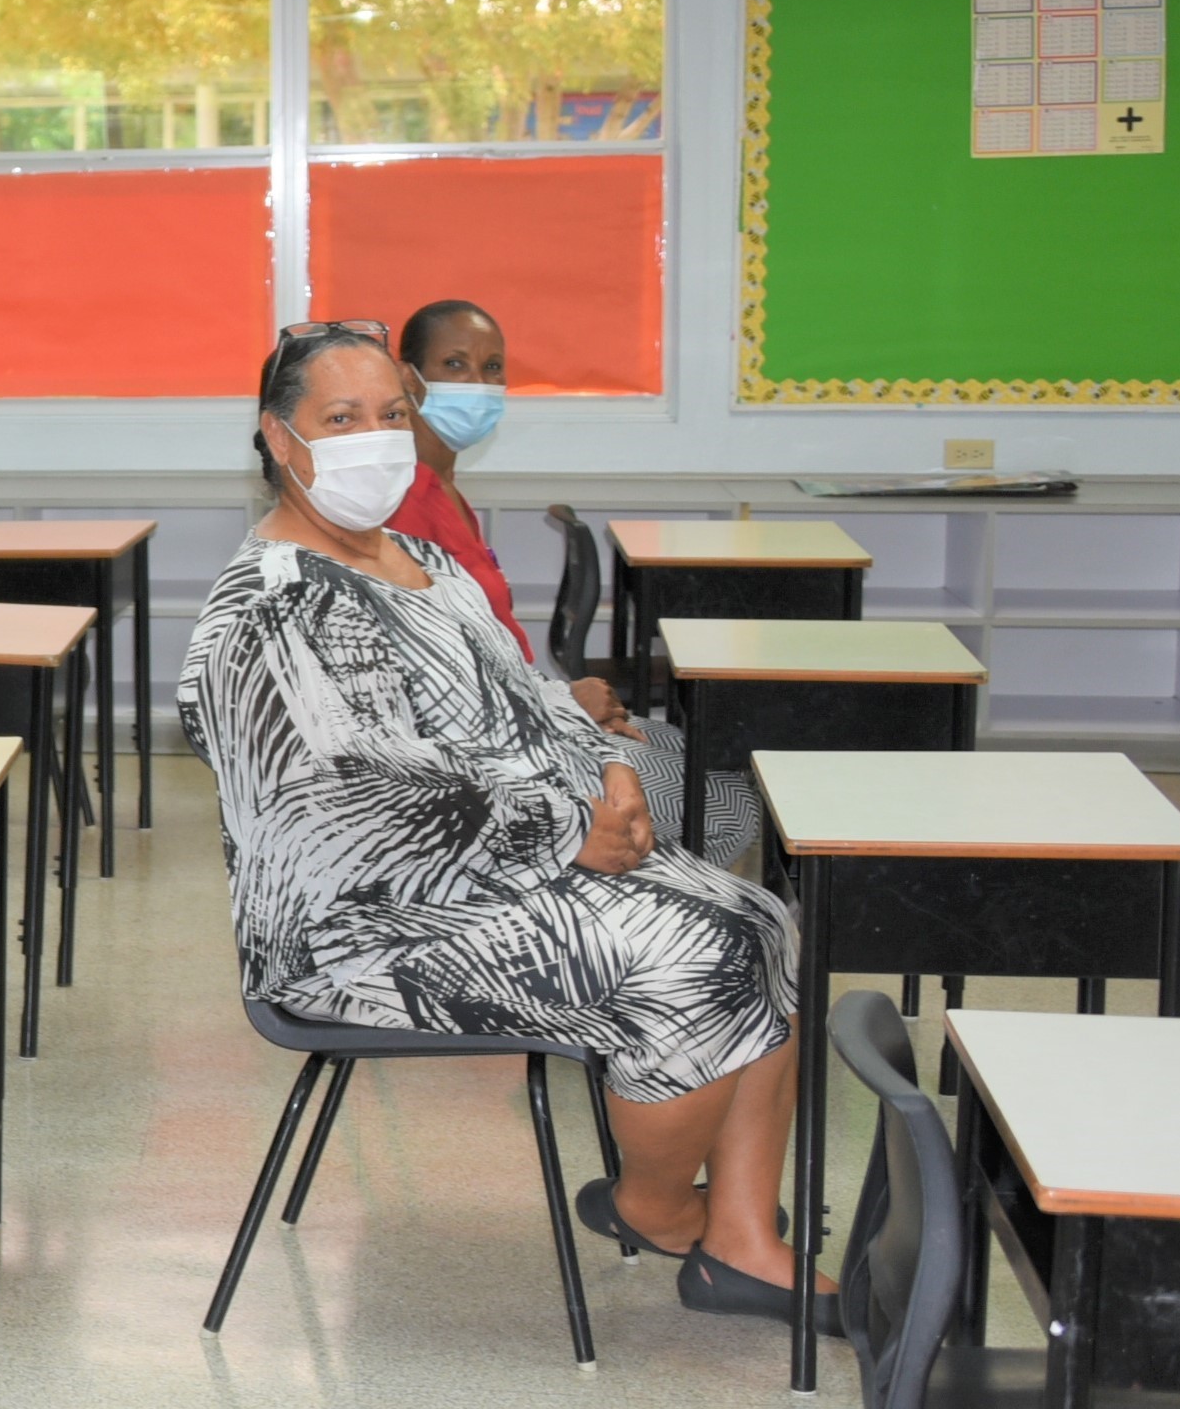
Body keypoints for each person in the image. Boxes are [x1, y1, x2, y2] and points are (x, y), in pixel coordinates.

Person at [176, 323, 823, 1323]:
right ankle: (655, 1205)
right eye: (340, 418)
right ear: (278, 435)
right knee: (696, 950)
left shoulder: (422, 557)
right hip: (361, 929)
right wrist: (561, 838)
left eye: (391, 414)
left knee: (760, 914)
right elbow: (357, 802)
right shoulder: (269, 609)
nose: (375, 438)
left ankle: (739, 1235)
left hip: (499, 871)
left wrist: (610, 773)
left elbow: (528, 697)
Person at [388, 300, 748, 863]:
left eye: (492, 367)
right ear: (409, 379)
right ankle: (620, 911)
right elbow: (439, 682)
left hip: (530, 711)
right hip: (502, 750)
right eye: (455, 365)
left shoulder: (446, 490)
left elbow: (488, 645)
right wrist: (560, 702)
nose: (478, 384)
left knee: (721, 756)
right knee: (731, 797)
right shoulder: (403, 502)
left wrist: (555, 699)